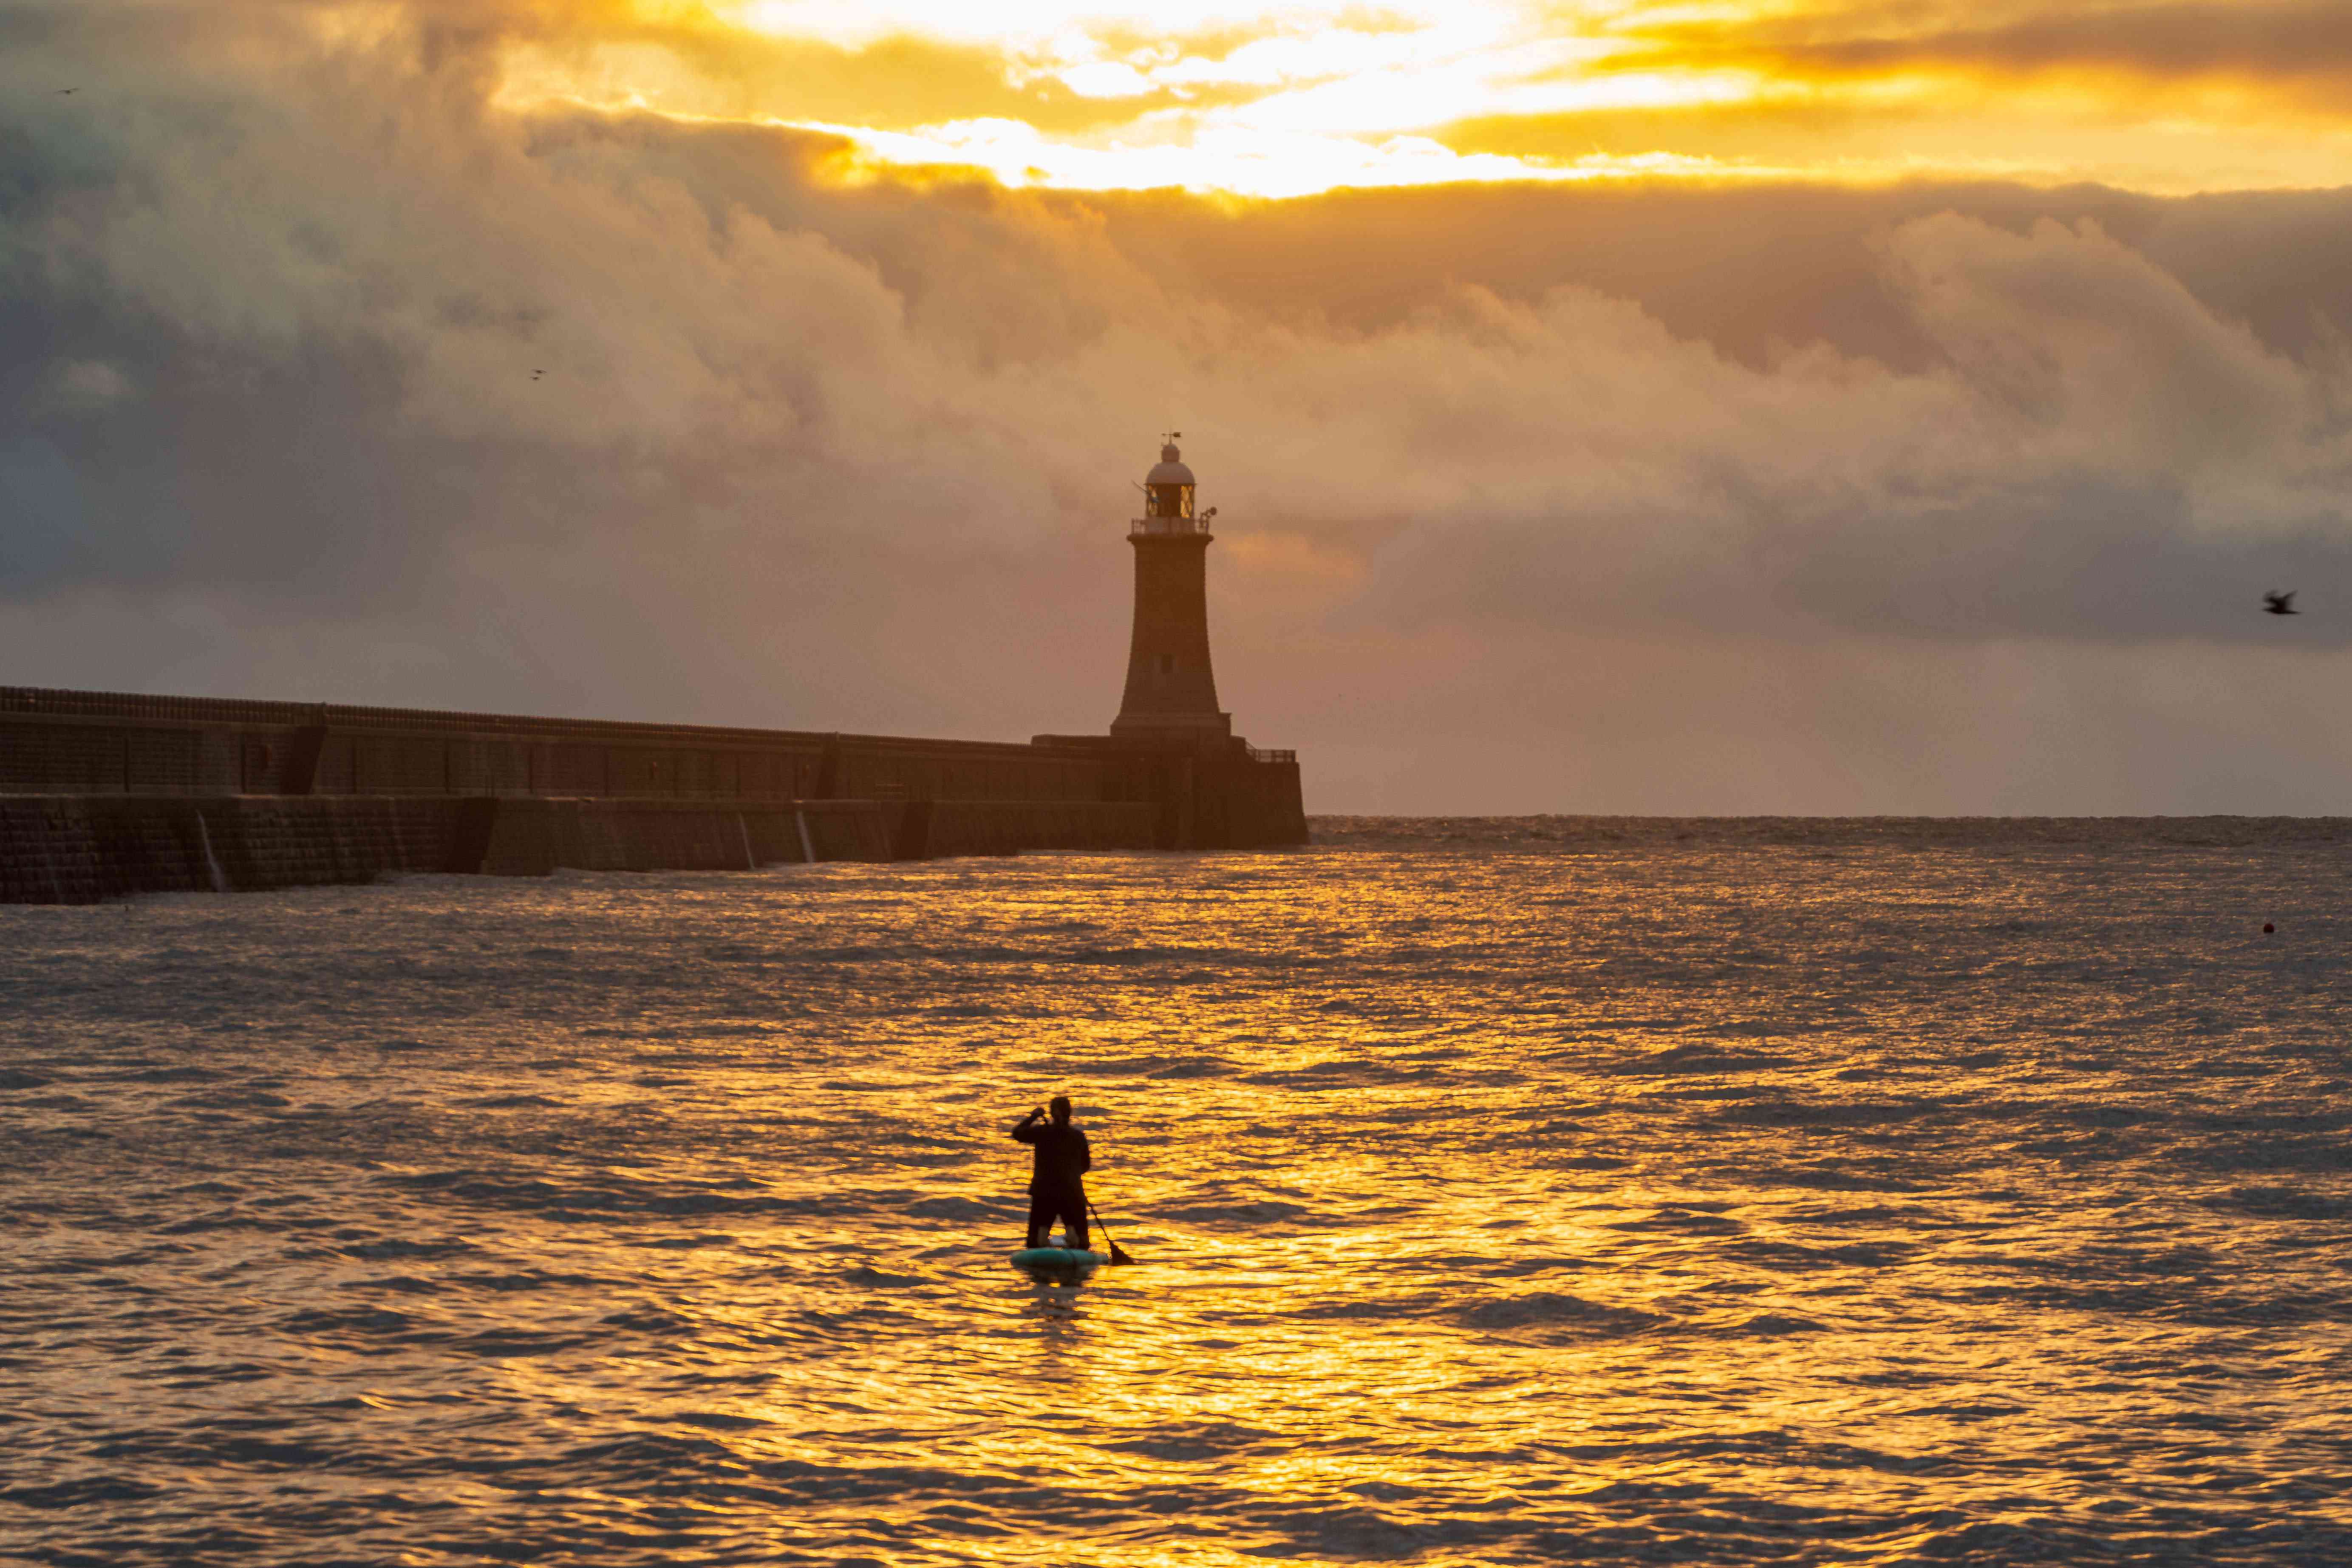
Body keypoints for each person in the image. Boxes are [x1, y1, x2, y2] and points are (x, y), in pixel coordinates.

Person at [1013, 1095, 1091, 1251]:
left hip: (1044, 1193)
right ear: (1070, 1113)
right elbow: (1086, 1166)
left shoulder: (1042, 1132)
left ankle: (1042, 1246)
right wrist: (1072, 1174)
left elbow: (1017, 1133)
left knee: (1034, 1241)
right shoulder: (1078, 1137)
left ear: (1052, 1113)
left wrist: (1033, 1116)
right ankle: (1075, 1242)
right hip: (1072, 1192)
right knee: (1082, 1242)